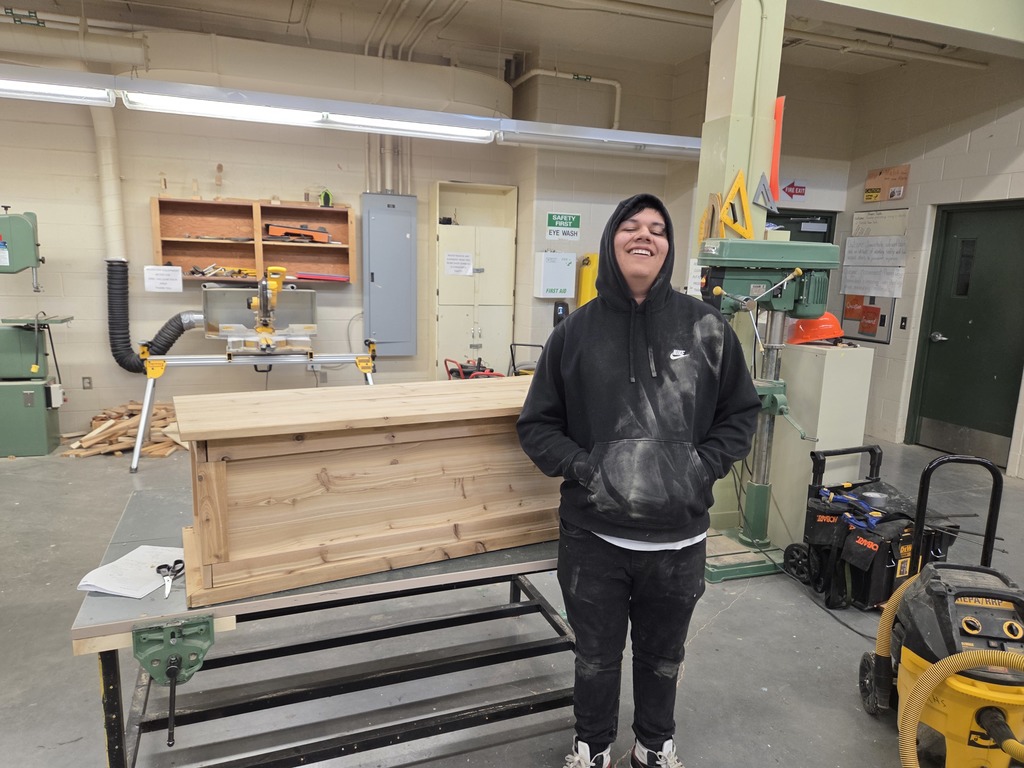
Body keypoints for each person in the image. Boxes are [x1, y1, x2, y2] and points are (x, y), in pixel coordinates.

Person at [516, 193, 761, 768]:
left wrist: (700, 468)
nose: (644, 236)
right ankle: (593, 747)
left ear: (669, 246)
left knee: (663, 657)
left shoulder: (707, 327)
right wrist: (587, 469)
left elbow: (741, 413)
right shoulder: (574, 333)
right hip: (593, 536)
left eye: (657, 228)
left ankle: (654, 745)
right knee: (595, 657)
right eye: (631, 226)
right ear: (611, 240)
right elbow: (538, 425)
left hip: (678, 539)